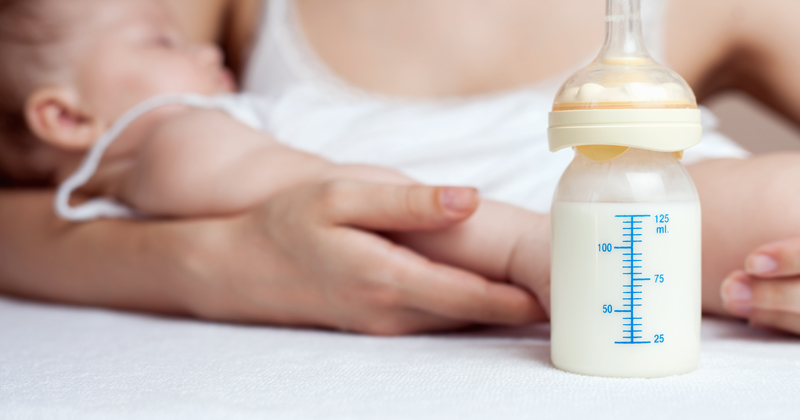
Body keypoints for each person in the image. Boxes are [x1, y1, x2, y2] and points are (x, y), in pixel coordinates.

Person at [1, 0, 799, 335]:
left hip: (591, 182)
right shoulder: (177, 138)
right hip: (516, 207)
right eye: (162, 44)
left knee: (768, 205)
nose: (206, 53)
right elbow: (364, 205)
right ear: (64, 116)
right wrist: (533, 247)